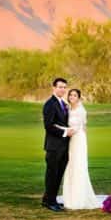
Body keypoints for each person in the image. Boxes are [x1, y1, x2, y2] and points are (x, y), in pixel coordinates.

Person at [58, 88, 106, 210]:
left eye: (74, 95)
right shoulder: (68, 108)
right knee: (71, 165)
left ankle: (79, 198)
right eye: (70, 95)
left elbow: (78, 127)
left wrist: (61, 128)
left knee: (78, 165)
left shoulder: (80, 110)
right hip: (71, 140)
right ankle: (70, 196)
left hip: (78, 139)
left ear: (78, 98)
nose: (72, 97)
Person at [41, 77, 72, 211]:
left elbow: (63, 123)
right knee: (52, 174)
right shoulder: (50, 104)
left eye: (64, 87)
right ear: (54, 88)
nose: (62, 89)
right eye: (60, 87)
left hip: (64, 147)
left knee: (58, 174)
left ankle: (50, 199)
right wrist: (65, 133)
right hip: (53, 146)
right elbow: (48, 126)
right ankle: (49, 202)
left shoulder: (63, 103)